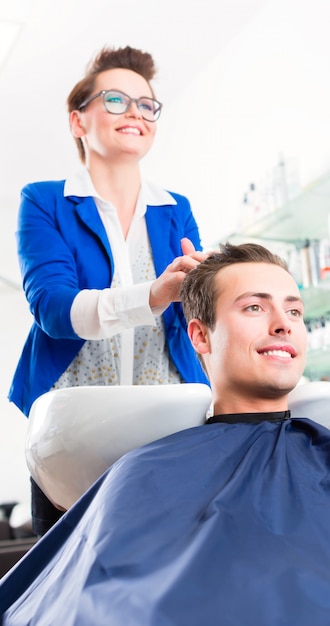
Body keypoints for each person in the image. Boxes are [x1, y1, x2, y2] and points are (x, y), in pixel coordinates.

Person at [2, 242, 330, 625]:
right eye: (255, 307)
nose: (283, 325)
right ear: (201, 335)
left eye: (294, 311)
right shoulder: (146, 472)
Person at [7, 45, 208, 537]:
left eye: (146, 104)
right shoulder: (44, 201)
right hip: (72, 434)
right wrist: (154, 295)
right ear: (79, 122)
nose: (135, 112)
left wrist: (213, 289)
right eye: (116, 100)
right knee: (71, 586)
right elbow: (53, 309)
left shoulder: (175, 208)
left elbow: (197, 319)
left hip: (168, 425)